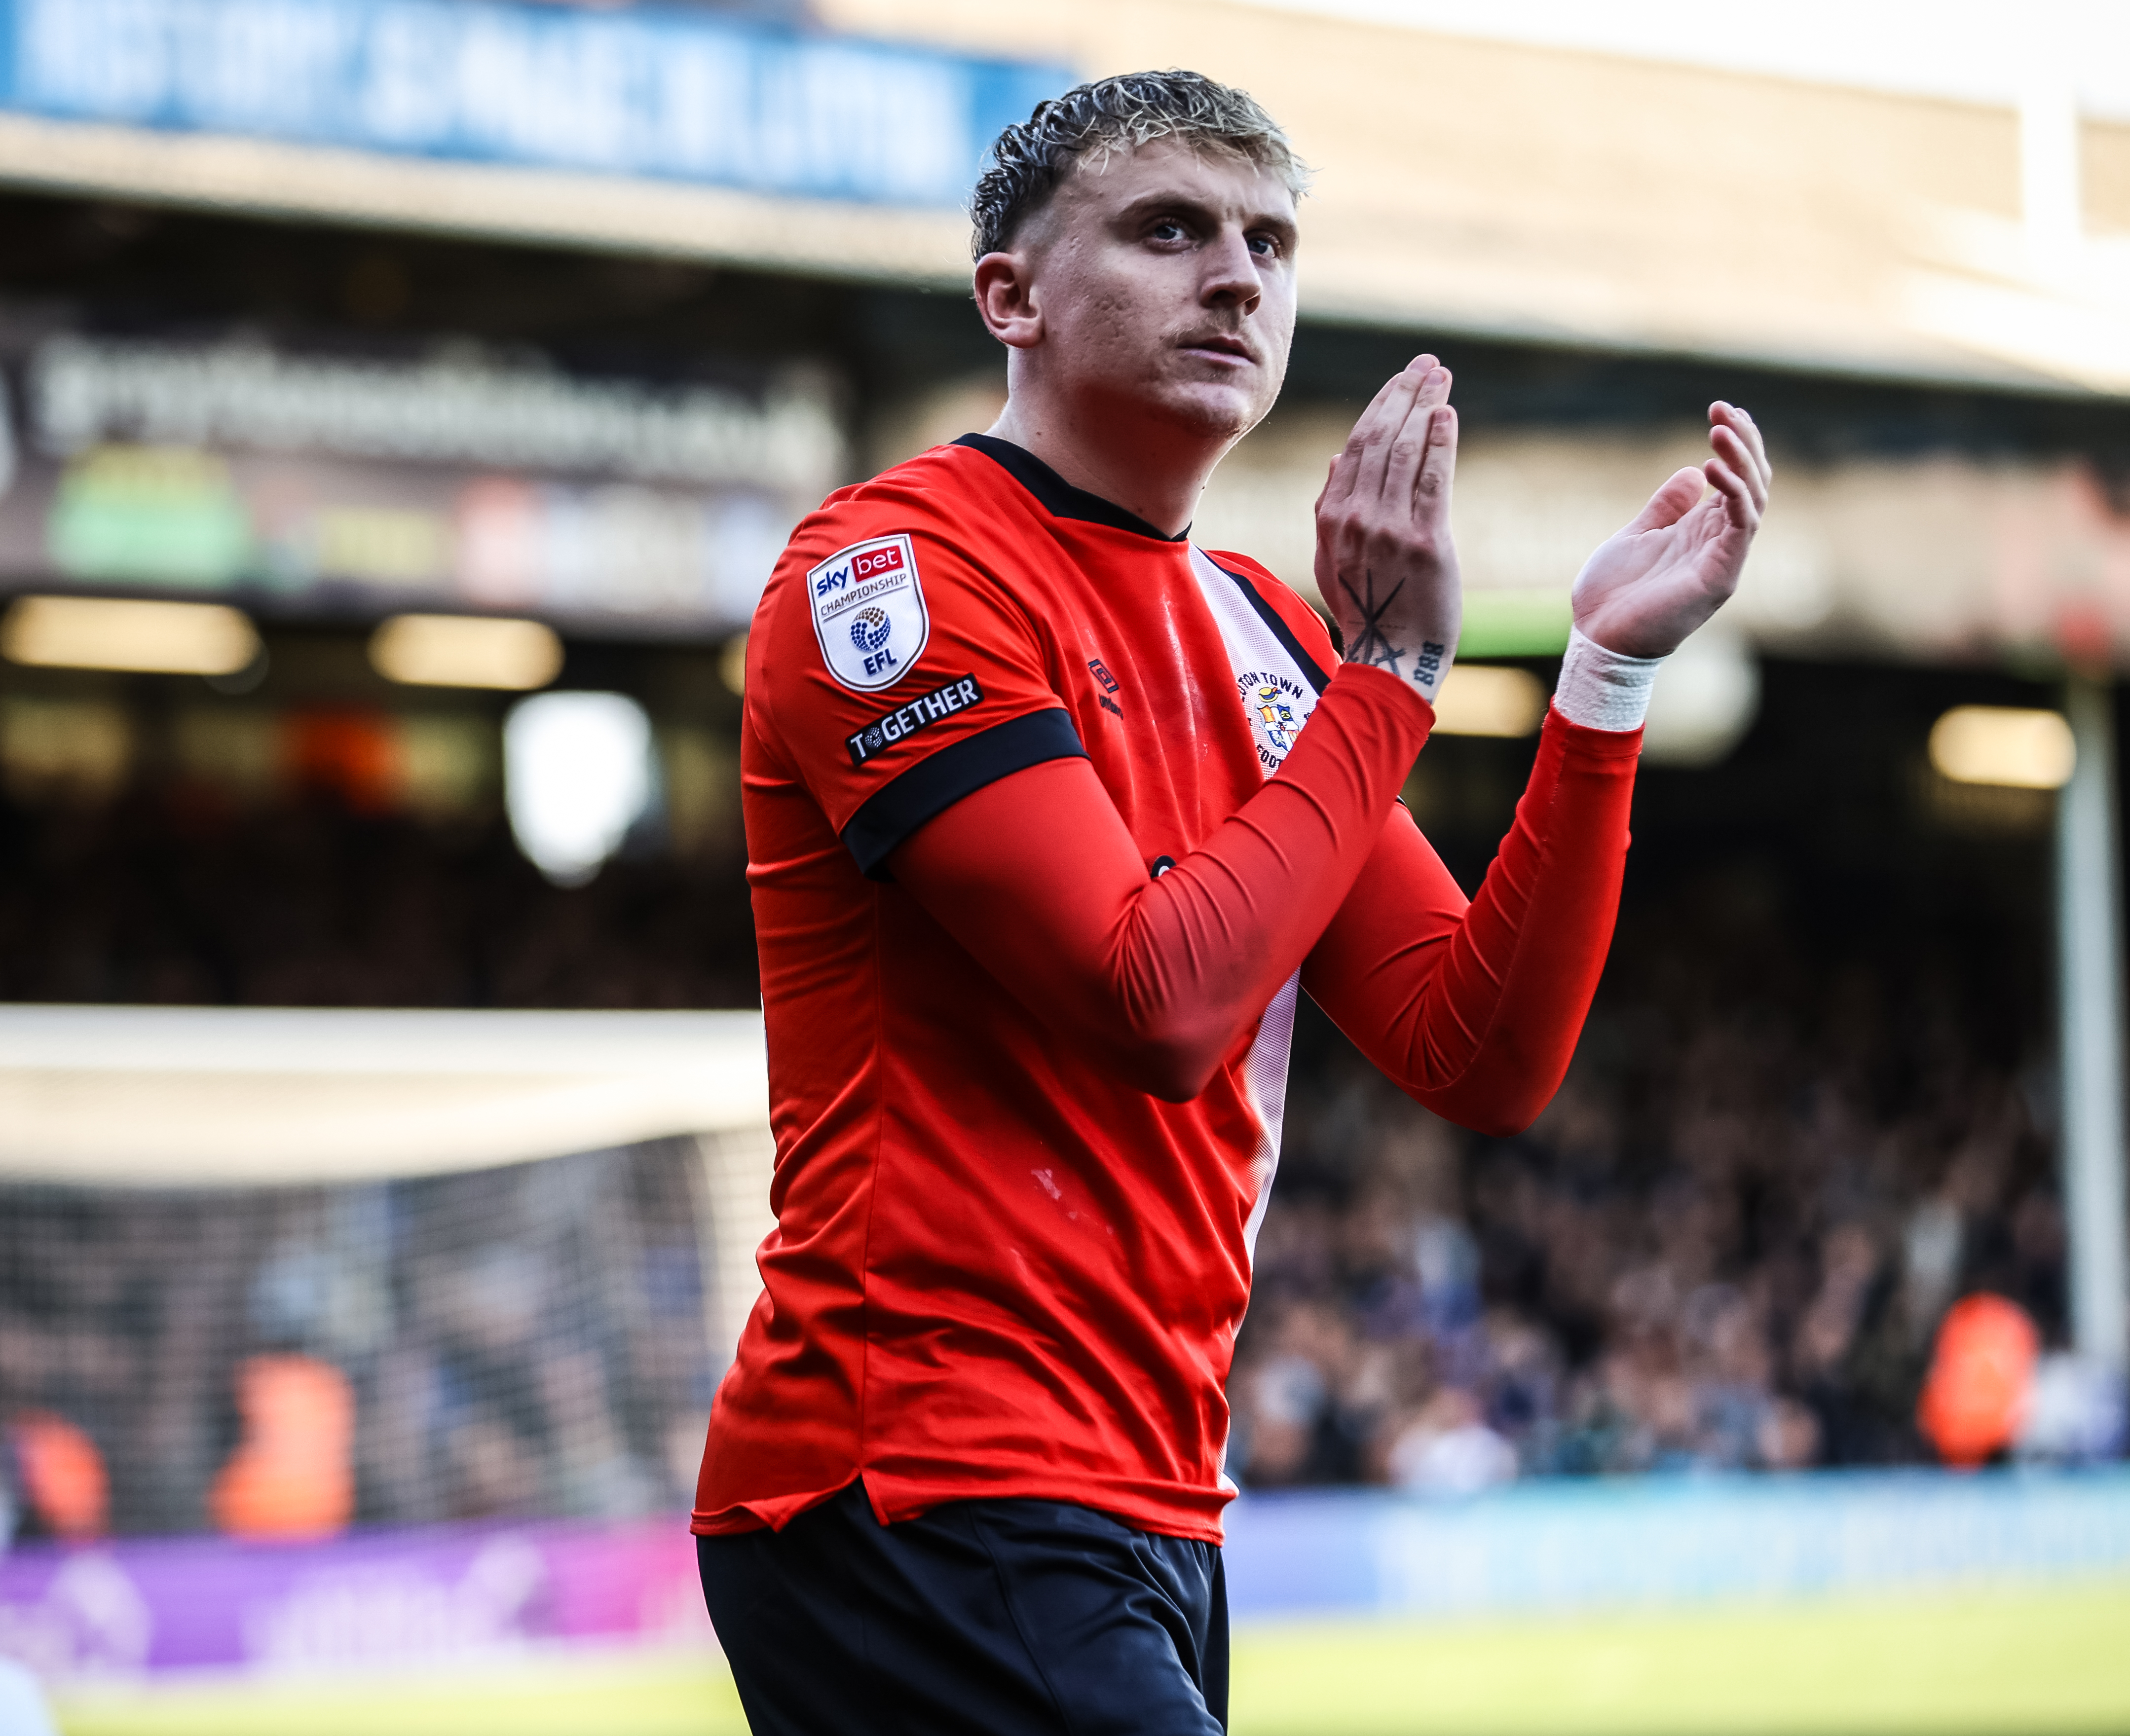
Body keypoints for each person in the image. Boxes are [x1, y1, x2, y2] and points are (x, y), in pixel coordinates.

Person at [694, 69, 1771, 1736]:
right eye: (1169, 230)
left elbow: (1476, 1051)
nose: (1235, 279)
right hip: (914, 1480)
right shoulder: (895, 571)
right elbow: (1158, 1003)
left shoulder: (1264, 630)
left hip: (1145, 1489)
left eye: (1269, 243)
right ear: (1011, 298)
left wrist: (1604, 680)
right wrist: (1391, 677)